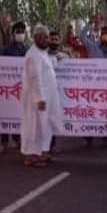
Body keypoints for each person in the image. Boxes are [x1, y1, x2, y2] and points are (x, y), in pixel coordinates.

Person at [20, 24, 64, 167]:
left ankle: (41, 153)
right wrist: (40, 98)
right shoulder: (33, 54)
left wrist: (59, 56)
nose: (48, 40)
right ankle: (31, 156)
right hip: (37, 99)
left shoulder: (41, 53)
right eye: (45, 37)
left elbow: (50, 67)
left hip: (47, 98)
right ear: (37, 37)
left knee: (44, 127)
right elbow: (35, 78)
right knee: (35, 127)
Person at [81, 16, 107, 147]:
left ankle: (106, 138)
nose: (106, 35)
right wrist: (90, 23)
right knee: (91, 111)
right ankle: (89, 137)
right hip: (93, 86)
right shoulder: (93, 46)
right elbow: (82, 36)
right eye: (104, 33)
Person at [0, 21, 29, 153]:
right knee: (6, 113)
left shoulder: (27, 50)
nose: (20, 34)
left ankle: (18, 139)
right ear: (13, 34)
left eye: (22, 32)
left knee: (19, 114)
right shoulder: (6, 50)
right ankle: (4, 142)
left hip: (23, 87)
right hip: (8, 88)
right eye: (18, 32)